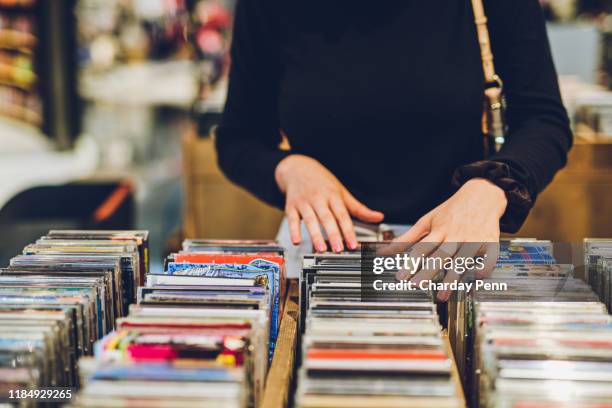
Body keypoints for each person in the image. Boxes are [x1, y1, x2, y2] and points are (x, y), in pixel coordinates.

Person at [214, 0, 572, 290]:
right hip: (322, 262)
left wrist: (491, 186)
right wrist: (290, 170)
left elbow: (543, 120)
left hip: (457, 255)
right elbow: (239, 138)